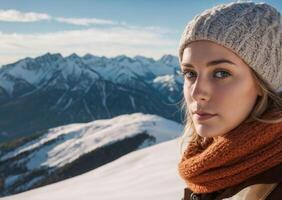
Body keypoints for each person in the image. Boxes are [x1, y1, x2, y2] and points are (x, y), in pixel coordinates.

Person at [177, 2, 282, 200]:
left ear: (261, 83)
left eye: (221, 73)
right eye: (190, 73)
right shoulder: (208, 169)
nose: (198, 91)